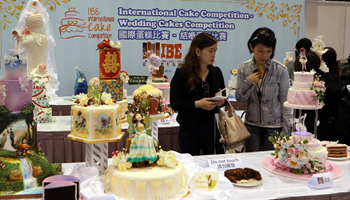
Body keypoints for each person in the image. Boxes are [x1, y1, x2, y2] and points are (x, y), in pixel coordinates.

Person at [235, 27, 292, 152]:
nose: (264, 55)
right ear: (251, 47)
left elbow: (286, 102)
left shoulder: (280, 70)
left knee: (272, 162)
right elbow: (239, 99)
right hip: (251, 125)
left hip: (274, 126)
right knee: (251, 162)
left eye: (268, 51)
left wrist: (287, 130)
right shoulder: (243, 69)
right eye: (260, 50)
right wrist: (249, 82)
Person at [170, 32, 226, 155]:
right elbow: (175, 103)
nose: (213, 55)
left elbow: (223, 98)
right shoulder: (182, 73)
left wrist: (221, 102)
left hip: (212, 129)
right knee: (190, 164)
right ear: (198, 51)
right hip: (189, 129)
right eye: (210, 51)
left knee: (213, 164)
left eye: (215, 51)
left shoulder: (216, 73)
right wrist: (197, 104)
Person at [294, 50, 349, 145]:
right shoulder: (332, 77)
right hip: (342, 128)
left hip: (321, 133)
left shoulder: (310, 84)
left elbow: (306, 117)